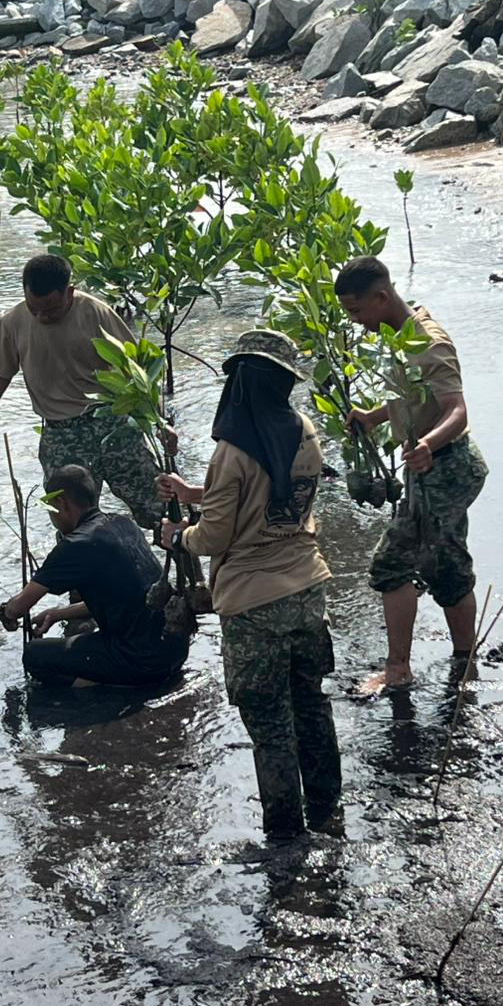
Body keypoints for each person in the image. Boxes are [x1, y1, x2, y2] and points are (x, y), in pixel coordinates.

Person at [160, 329, 341, 842]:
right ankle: (329, 812)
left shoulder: (231, 450)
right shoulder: (304, 431)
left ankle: (285, 837)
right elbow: (276, 497)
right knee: (311, 705)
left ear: (240, 383)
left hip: (253, 603)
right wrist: (197, 492)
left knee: (268, 724)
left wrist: (177, 536)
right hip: (308, 590)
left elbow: (214, 534)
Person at [335, 256, 488, 695]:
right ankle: (465, 661)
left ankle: (398, 669)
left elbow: (456, 411)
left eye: (357, 311)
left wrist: (426, 445)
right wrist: (375, 416)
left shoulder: (427, 340)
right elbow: (413, 396)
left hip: (447, 467)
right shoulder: (400, 335)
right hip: (439, 467)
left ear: (382, 297)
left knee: (390, 565)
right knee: (449, 564)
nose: (356, 321)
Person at [0, 254, 163, 528]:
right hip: (60, 434)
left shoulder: (95, 313)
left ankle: (186, 563)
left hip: (111, 423)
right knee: (70, 523)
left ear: (70, 292)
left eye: (51, 309)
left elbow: (135, 370)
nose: (42, 316)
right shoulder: (13, 323)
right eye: (34, 308)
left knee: (156, 507)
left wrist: (159, 424)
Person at [0, 465, 189, 688]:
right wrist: (59, 613)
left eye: (50, 509)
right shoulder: (123, 523)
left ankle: (108, 688)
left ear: (61, 504)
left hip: (141, 660)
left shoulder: (75, 545)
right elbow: (128, 597)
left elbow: (18, 608)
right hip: (174, 650)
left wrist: (6, 612)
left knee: (35, 656)